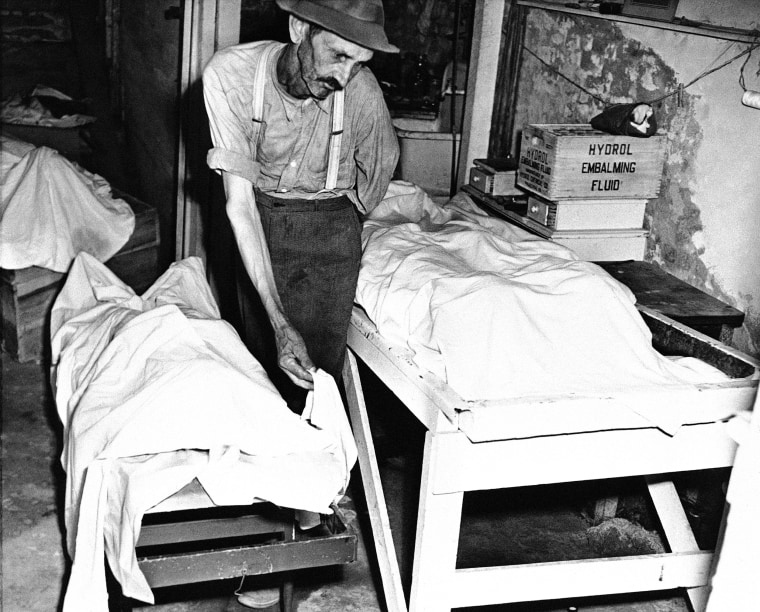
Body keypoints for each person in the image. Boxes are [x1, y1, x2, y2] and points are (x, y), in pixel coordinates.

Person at [203, 0, 399, 411]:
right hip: (256, 224)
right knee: (257, 371)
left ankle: (326, 467)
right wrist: (278, 323)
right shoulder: (230, 76)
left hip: (330, 233)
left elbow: (380, 167)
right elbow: (239, 205)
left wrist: (339, 222)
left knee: (317, 381)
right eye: (339, 55)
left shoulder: (362, 91)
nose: (345, 77)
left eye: (360, 62)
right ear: (298, 29)